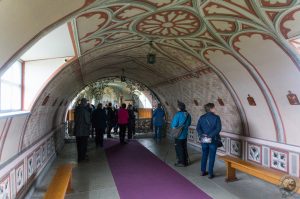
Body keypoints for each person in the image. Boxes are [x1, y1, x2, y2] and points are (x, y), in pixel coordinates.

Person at [196, 103, 222, 179]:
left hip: (204, 140)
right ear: (211, 109)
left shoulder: (202, 117)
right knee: (212, 156)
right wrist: (210, 136)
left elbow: (198, 128)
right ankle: (210, 173)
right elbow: (218, 129)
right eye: (214, 107)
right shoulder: (216, 117)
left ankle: (203, 171)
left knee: (204, 155)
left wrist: (202, 135)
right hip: (213, 140)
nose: (215, 109)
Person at [171, 101, 191, 167]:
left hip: (178, 135)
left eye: (177, 107)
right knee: (184, 148)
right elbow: (189, 123)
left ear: (179, 108)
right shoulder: (188, 114)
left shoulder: (178, 115)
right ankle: (186, 161)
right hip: (185, 134)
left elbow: (173, 125)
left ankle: (182, 162)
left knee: (179, 149)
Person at [74, 98, 91, 162]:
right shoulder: (85, 111)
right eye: (86, 102)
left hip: (77, 131)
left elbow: (75, 119)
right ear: (84, 103)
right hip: (84, 131)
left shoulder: (76, 109)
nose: (87, 103)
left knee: (78, 145)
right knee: (84, 145)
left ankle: (79, 157)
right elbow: (87, 121)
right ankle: (83, 158)